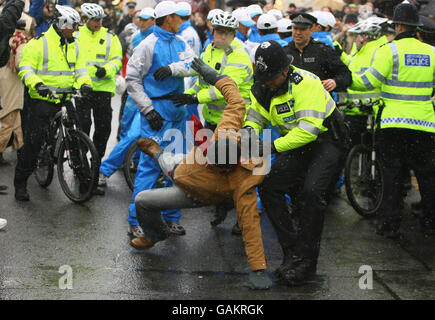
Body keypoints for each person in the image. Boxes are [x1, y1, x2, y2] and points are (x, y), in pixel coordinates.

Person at [130, 57, 272, 290]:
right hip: (185, 166)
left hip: (196, 193)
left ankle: (158, 154)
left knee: (143, 200)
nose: (210, 163)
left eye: (215, 165)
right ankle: (156, 233)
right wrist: (213, 76)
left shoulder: (243, 181)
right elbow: (234, 97)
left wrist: (259, 269)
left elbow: (251, 226)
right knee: (172, 166)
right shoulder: (225, 132)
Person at [244, 40, 347, 286]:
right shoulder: (262, 84)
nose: (268, 82)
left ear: (285, 71)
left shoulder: (306, 83)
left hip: (325, 141)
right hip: (294, 142)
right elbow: (256, 115)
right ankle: (293, 250)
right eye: (264, 77)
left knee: (312, 194)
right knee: (270, 187)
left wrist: (269, 146)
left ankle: (306, 264)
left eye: (272, 77)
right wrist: (248, 132)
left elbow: (308, 131)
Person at [350, 0, 435, 238]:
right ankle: (429, 223)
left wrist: (345, 77)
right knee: (427, 176)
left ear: (397, 26)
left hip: (393, 124)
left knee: (392, 176)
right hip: (425, 124)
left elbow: (368, 82)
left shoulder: (388, 51)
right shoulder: (431, 52)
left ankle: (391, 224)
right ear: (415, 27)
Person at [125, 0, 196, 237]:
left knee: (178, 166)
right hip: (156, 113)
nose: (182, 21)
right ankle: (135, 221)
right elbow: (132, 80)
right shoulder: (147, 45)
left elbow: (194, 65)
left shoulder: (180, 41)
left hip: (177, 111)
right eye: (179, 17)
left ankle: (171, 218)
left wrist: (174, 68)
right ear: (168, 19)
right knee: (149, 168)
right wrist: (148, 110)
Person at [14, 5, 92, 201]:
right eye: (73, 26)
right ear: (62, 24)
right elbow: (25, 69)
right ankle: (21, 184)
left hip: (65, 97)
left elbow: (81, 71)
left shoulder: (74, 45)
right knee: (34, 143)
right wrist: (37, 84)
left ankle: (85, 180)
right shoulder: (38, 44)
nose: (75, 30)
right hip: (42, 100)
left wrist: (85, 84)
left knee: (77, 139)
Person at [98, 8, 155, 189]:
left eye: (146, 19)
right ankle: (106, 169)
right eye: (141, 19)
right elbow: (134, 69)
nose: (142, 22)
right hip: (139, 95)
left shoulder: (165, 41)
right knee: (131, 135)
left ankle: (136, 161)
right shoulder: (137, 38)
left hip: (160, 99)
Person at [74, 2, 122, 192]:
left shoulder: (110, 37)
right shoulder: (76, 36)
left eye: (100, 20)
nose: (98, 23)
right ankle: (82, 168)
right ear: (85, 19)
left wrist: (107, 69)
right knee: (83, 127)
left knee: (103, 129)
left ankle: (96, 163)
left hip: (103, 90)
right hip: (83, 89)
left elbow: (117, 59)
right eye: (94, 20)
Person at [343, 16, 389, 147]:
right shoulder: (360, 50)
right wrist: (339, 54)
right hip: (354, 108)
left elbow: (369, 79)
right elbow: (351, 65)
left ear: (364, 36)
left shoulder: (379, 50)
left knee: (373, 149)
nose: (355, 39)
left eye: (357, 36)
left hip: (372, 110)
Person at [284, 13, 352, 99]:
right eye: (295, 29)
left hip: (319, 103)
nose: (298, 33)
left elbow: (345, 74)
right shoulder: (284, 52)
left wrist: (335, 82)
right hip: (293, 104)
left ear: (311, 30)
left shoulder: (323, 50)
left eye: (303, 29)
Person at [0, 13, 35, 166]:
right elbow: (21, 63)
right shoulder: (23, 42)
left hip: (6, 83)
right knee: (8, 122)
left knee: (12, 122)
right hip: (12, 87)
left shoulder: (10, 38)